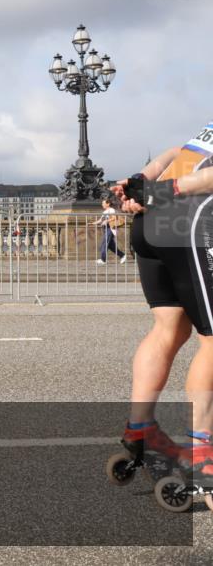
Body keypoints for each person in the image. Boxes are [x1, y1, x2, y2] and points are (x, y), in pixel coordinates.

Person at [111, 124, 213, 482]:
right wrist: (163, 189)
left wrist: (141, 180)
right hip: (188, 223)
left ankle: (141, 429)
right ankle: (204, 454)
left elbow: (174, 154)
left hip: (150, 226)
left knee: (169, 327)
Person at [93, 198, 126, 265]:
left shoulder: (111, 210)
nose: (102, 204)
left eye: (103, 203)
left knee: (104, 244)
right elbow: (100, 220)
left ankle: (103, 260)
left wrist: (107, 221)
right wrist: (92, 223)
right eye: (102, 203)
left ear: (108, 204)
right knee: (111, 246)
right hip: (105, 229)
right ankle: (122, 255)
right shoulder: (104, 212)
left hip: (110, 229)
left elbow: (114, 218)